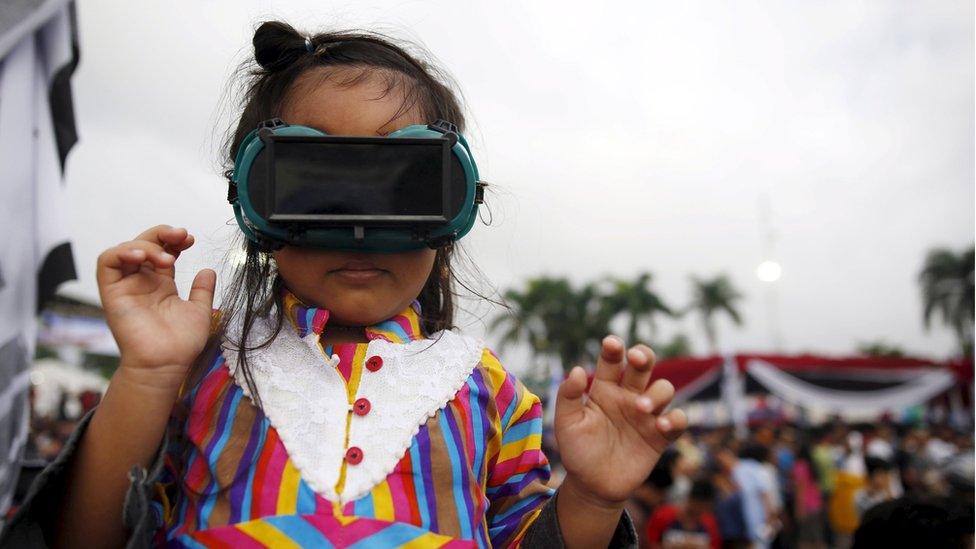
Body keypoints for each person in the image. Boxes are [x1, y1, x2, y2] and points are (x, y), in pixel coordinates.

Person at [2, 20, 688, 549]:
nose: (360, 224)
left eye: (403, 184)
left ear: (451, 207)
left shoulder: (492, 389)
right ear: (255, 198)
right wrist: (149, 372)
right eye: (320, 183)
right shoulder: (201, 363)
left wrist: (593, 498)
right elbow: (85, 535)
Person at [645, 478, 721, 549]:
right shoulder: (663, 515)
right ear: (690, 499)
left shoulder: (710, 522)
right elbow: (649, 543)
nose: (701, 510)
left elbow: (714, 546)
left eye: (706, 507)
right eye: (699, 505)